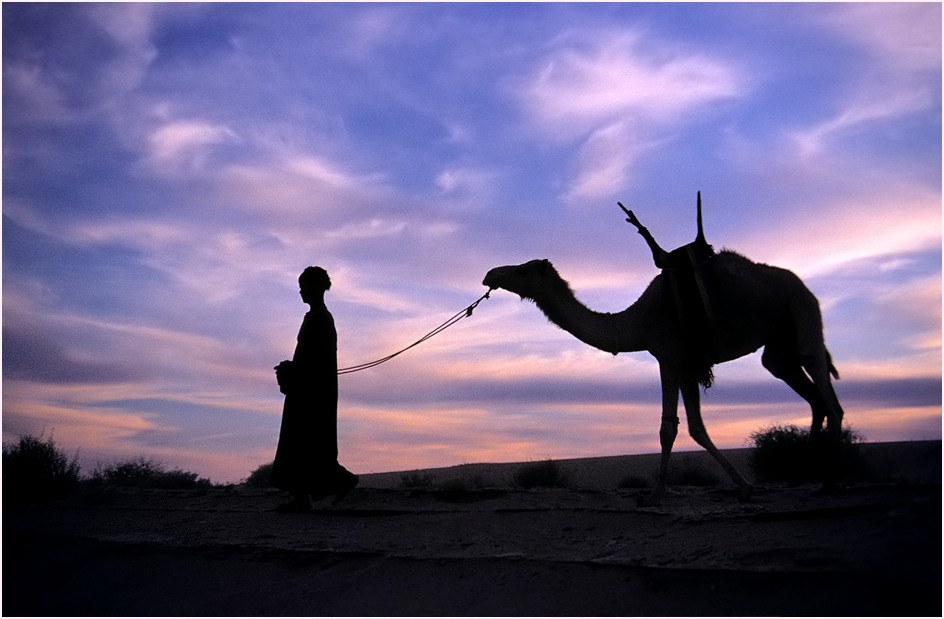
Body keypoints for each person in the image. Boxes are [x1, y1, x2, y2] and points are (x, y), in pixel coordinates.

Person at [271, 266, 358, 512]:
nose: (301, 292)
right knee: (301, 441)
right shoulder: (314, 317)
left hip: (313, 391)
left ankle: (342, 482)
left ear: (316, 288)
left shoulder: (321, 318)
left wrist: (293, 370)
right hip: (306, 387)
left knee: (308, 441)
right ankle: (301, 498)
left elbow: (317, 359)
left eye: (304, 287)